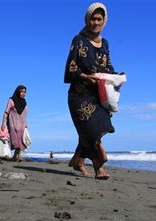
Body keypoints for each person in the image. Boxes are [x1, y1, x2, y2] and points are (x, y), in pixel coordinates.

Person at [64, 2, 118, 180]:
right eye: (93, 19)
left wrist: (117, 77)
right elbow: (71, 68)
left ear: (104, 21)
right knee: (92, 131)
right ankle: (99, 166)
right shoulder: (78, 40)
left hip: (98, 95)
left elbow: (108, 67)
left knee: (100, 127)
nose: (96, 22)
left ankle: (77, 160)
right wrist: (86, 77)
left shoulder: (105, 44)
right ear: (88, 20)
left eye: (99, 19)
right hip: (79, 96)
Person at [1, 85, 28, 162]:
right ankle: (17, 156)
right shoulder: (11, 100)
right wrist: (3, 123)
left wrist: (26, 123)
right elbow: (6, 112)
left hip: (22, 124)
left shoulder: (24, 102)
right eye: (22, 91)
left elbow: (24, 114)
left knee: (21, 140)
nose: (24, 93)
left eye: (25, 92)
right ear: (18, 91)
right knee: (15, 140)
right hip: (13, 123)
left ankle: (17, 156)